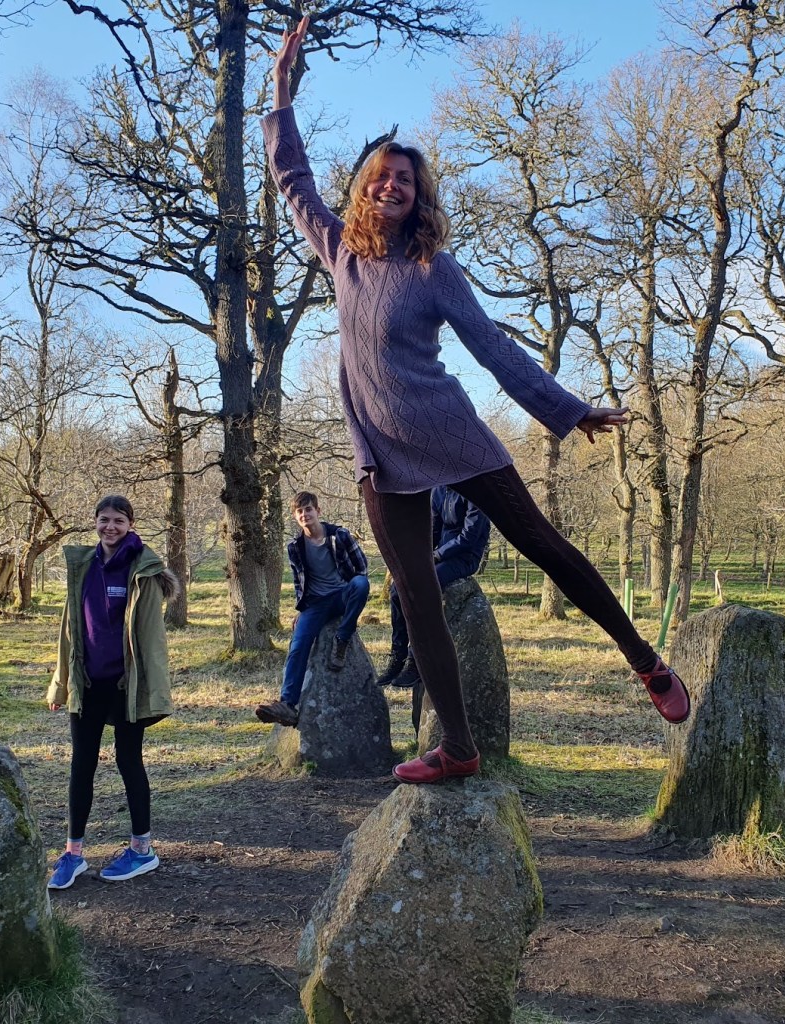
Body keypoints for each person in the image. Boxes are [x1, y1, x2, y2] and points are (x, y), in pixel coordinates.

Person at [264, 18, 690, 785]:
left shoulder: (434, 268)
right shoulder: (341, 253)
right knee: (415, 595)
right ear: (364, 188)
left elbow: (494, 347)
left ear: (418, 196)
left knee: (545, 547)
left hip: (453, 436)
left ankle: (646, 661)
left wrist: (567, 410)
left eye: (405, 179)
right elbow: (291, 178)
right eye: (381, 176)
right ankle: (457, 746)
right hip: (383, 459)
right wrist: (281, 94)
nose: (391, 185)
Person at [46, 495, 177, 889]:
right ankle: (73, 854)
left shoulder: (143, 569)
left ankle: (142, 850)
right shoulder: (83, 565)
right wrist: (60, 684)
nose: (110, 527)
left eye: (119, 520)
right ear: (95, 523)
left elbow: (152, 640)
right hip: (87, 684)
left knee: (128, 760)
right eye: (104, 520)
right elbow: (69, 631)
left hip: (126, 685)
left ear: (130, 524)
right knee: (81, 765)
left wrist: (156, 694)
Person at [255, 491, 370, 727]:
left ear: (318, 511)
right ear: (295, 517)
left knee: (361, 583)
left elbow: (362, 568)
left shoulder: (339, 535)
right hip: (316, 603)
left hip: (342, 595)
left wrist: (351, 590)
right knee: (298, 645)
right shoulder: (295, 547)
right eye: (299, 511)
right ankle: (287, 705)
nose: (304, 515)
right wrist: (301, 611)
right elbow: (299, 584)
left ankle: (342, 638)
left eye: (308, 509)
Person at [379, 484, 490, 692]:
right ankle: (397, 656)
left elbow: (469, 537)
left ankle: (416, 660)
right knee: (397, 589)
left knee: (423, 588)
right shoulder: (439, 490)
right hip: (439, 555)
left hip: (465, 557)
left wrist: (437, 555)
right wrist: (418, 556)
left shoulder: (475, 491)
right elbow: (433, 530)